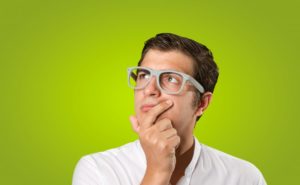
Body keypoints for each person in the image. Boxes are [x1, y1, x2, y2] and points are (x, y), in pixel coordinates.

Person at [72, 33, 267, 185]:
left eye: (171, 79)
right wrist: (157, 172)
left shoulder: (243, 177)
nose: (149, 89)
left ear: (201, 104)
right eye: (144, 75)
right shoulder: (98, 170)